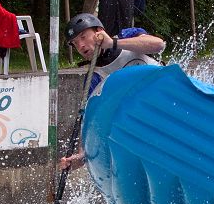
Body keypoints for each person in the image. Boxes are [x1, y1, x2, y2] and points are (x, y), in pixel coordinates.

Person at [59, 13, 166, 171]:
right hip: (146, 120)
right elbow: (90, 120)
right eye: (75, 43)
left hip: (166, 95)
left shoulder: (126, 36)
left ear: (99, 31)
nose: (80, 46)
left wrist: (112, 43)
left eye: (83, 37)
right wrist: (82, 156)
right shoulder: (94, 78)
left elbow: (158, 45)